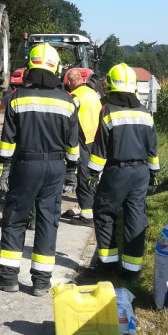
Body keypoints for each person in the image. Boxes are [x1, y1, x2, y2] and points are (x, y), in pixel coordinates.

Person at [0, 43, 80, 296]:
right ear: (56, 69)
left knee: (15, 219)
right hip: (55, 168)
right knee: (48, 221)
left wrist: (4, 167)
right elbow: (73, 145)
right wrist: (71, 172)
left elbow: (7, 140)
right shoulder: (69, 102)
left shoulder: (17, 99)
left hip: (26, 165)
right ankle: (41, 282)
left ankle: (8, 277)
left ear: (30, 68)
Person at [88, 63, 159, 278]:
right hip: (141, 173)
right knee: (135, 216)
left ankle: (108, 264)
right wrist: (154, 173)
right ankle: (132, 271)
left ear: (111, 86)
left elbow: (100, 148)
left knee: (104, 213)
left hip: (117, 172)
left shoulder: (108, 111)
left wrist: (93, 174)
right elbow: (152, 148)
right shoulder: (146, 113)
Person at [61, 69, 102, 225]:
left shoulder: (76, 97)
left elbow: (69, 119)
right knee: (94, 175)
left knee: (82, 176)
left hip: (83, 138)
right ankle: (92, 209)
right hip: (96, 139)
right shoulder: (92, 93)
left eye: (67, 84)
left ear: (71, 82)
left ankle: (86, 215)